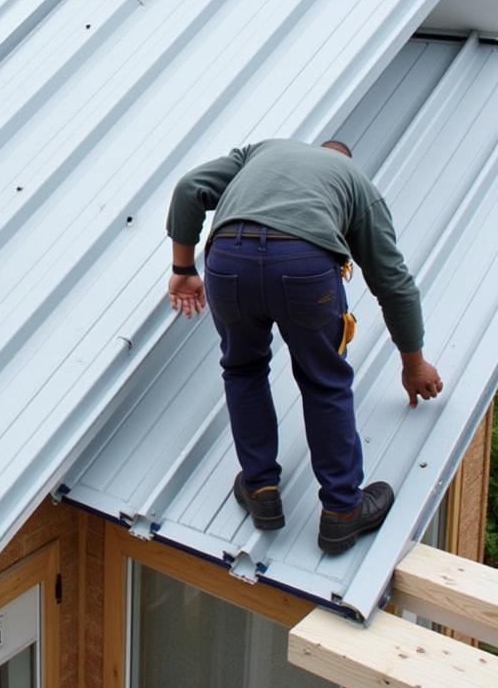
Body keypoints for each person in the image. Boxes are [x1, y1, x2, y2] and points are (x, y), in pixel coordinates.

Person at [165, 139, 442, 553]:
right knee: (324, 381)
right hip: (303, 265)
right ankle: (342, 512)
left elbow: (190, 188)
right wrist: (413, 362)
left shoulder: (262, 152)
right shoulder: (356, 184)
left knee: (243, 369)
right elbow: (393, 284)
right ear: (345, 161)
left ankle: (260, 490)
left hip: (228, 259)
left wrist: (183, 269)